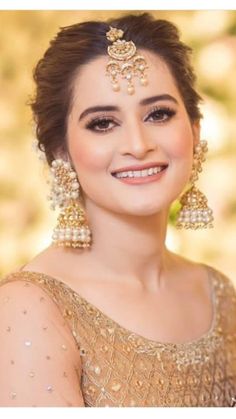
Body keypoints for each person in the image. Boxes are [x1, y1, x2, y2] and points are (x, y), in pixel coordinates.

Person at [0, 12, 235, 408]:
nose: (138, 144)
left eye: (158, 114)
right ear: (62, 152)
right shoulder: (29, 307)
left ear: (195, 131)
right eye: (103, 123)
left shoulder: (217, 293)